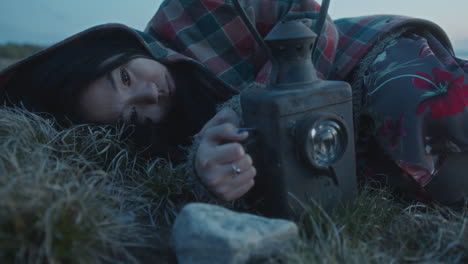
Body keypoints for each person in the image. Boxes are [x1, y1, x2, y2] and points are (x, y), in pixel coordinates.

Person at [0, 0, 467, 204]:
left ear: (115, 49)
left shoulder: (189, 12)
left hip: (364, 63)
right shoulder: (175, 141)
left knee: (431, 112)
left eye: (125, 77)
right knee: (422, 183)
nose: (148, 93)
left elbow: (307, 15)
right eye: (134, 114)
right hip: (336, 146)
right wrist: (213, 177)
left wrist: (245, 108)